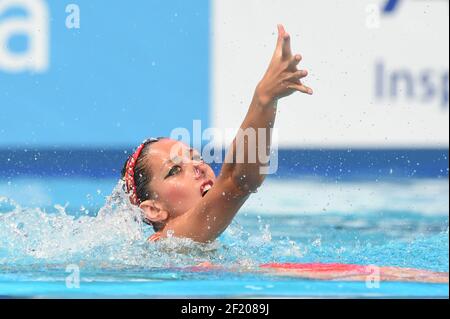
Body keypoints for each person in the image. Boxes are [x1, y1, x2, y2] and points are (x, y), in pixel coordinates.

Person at [121, 24, 311, 243]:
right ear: (153, 209)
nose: (199, 168)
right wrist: (264, 97)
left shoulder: (191, 243)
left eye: (196, 158)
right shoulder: (167, 239)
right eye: (174, 170)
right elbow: (238, 182)